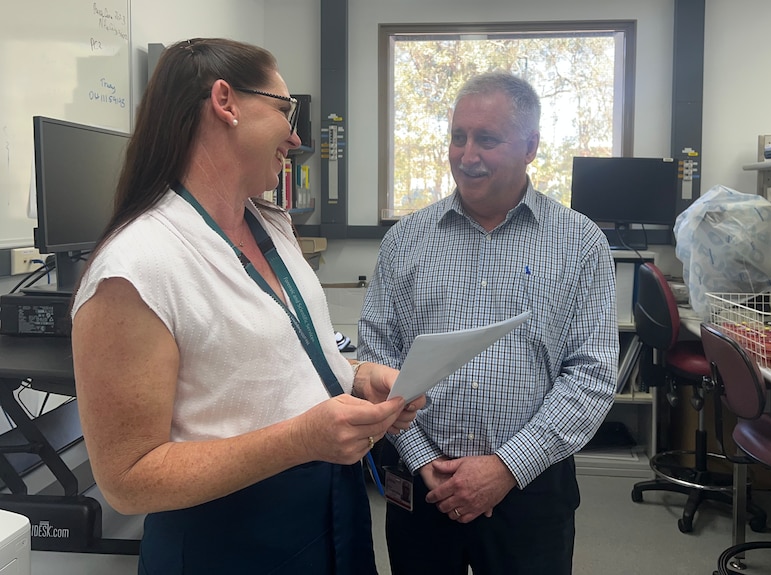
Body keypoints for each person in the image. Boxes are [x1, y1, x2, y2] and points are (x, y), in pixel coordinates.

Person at [70, 38, 424, 575]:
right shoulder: (136, 267)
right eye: (286, 110)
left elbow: (258, 364)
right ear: (225, 102)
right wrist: (301, 438)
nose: (297, 135)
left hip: (330, 512)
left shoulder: (270, 225)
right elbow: (127, 479)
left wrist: (354, 377)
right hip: (227, 539)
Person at [357, 71, 618, 575]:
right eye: (458, 136)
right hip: (421, 482)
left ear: (531, 147)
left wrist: (505, 466)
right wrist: (421, 459)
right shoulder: (405, 241)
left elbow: (591, 374)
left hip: (530, 486)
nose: (466, 154)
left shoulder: (580, 243)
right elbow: (378, 358)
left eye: (487, 139)